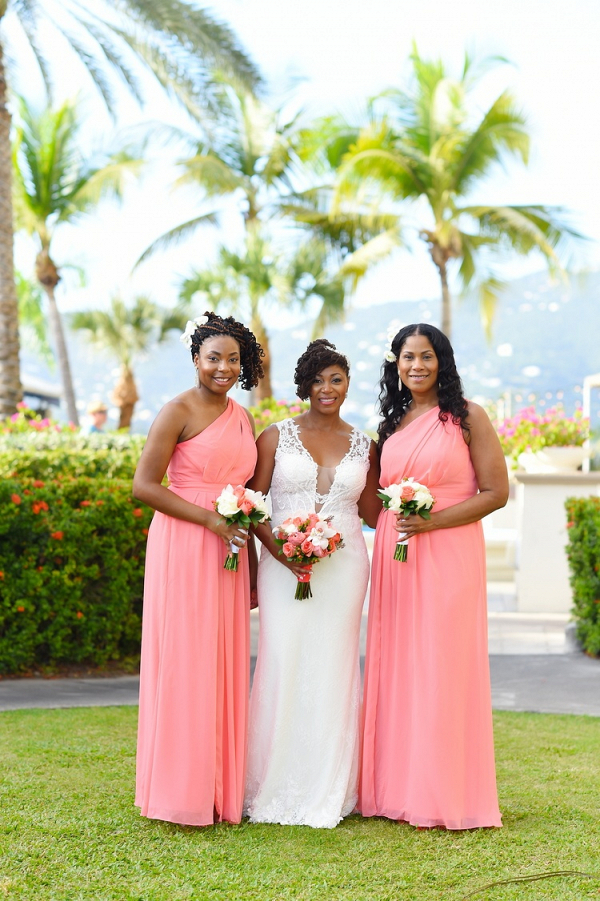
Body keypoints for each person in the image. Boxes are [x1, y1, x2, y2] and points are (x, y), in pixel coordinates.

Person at [360, 323, 508, 830]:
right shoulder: (392, 423)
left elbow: (495, 492)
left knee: (442, 666)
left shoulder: (468, 418)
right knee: (400, 664)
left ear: (442, 361)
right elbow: (371, 497)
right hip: (396, 558)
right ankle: (395, 789)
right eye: (407, 357)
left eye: (426, 356)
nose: (416, 365)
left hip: (448, 552)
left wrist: (433, 521)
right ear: (395, 364)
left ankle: (444, 793)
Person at [133, 312, 264, 826]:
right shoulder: (177, 410)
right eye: (214, 358)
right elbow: (145, 486)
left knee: (222, 661)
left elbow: (248, 497)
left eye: (233, 359)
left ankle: (217, 788)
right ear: (196, 360)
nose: (224, 367)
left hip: (229, 548)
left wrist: (251, 564)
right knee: (187, 659)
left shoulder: (243, 417)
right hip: (185, 543)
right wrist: (209, 520)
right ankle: (179, 792)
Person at [244, 339, 380, 828]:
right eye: (318, 379)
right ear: (304, 385)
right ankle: (274, 780)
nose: (327, 388)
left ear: (347, 384)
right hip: (283, 563)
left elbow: (371, 512)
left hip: (345, 566)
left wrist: (418, 500)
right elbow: (252, 504)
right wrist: (280, 552)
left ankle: (331, 784)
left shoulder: (367, 444)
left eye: (336, 379)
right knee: (283, 657)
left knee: (334, 662)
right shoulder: (274, 437)